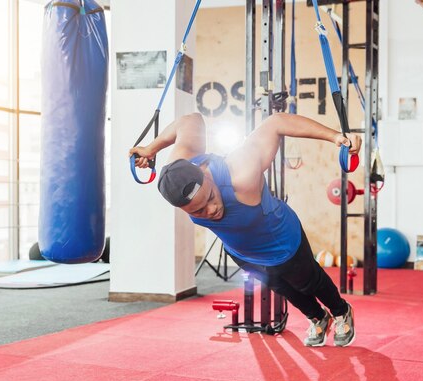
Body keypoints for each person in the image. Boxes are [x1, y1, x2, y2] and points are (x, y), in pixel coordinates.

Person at [129, 112, 361, 347]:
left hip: (280, 239)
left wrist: (335, 137)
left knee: (306, 282)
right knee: (281, 286)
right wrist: (151, 148)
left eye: (210, 197)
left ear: (206, 175)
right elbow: (189, 121)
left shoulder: (241, 172)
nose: (210, 211)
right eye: (197, 211)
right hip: (242, 252)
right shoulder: (177, 169)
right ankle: (318, 317)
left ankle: (341, 311)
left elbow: (277, 122)